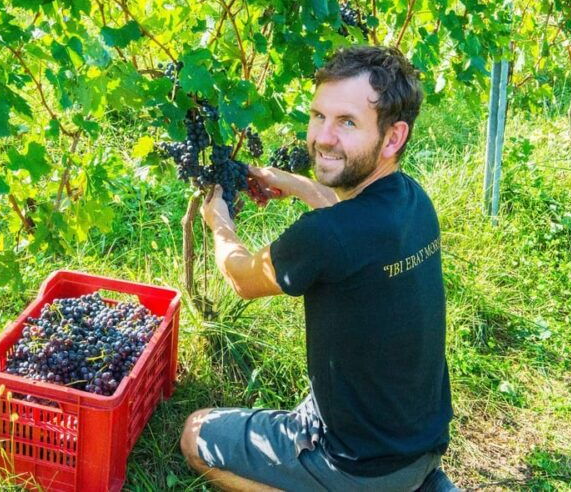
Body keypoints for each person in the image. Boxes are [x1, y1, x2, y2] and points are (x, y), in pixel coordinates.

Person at [179, 45, 453, 491]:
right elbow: (349, 226)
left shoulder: (327, 236)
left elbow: (242, 275)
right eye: (318, 116)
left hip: (360, 466)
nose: (323, 137)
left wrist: (220, 221)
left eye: (347, 122)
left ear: (393, 137)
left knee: (195, 433)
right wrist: (293, 183)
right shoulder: (412, 200)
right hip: (421, 442)